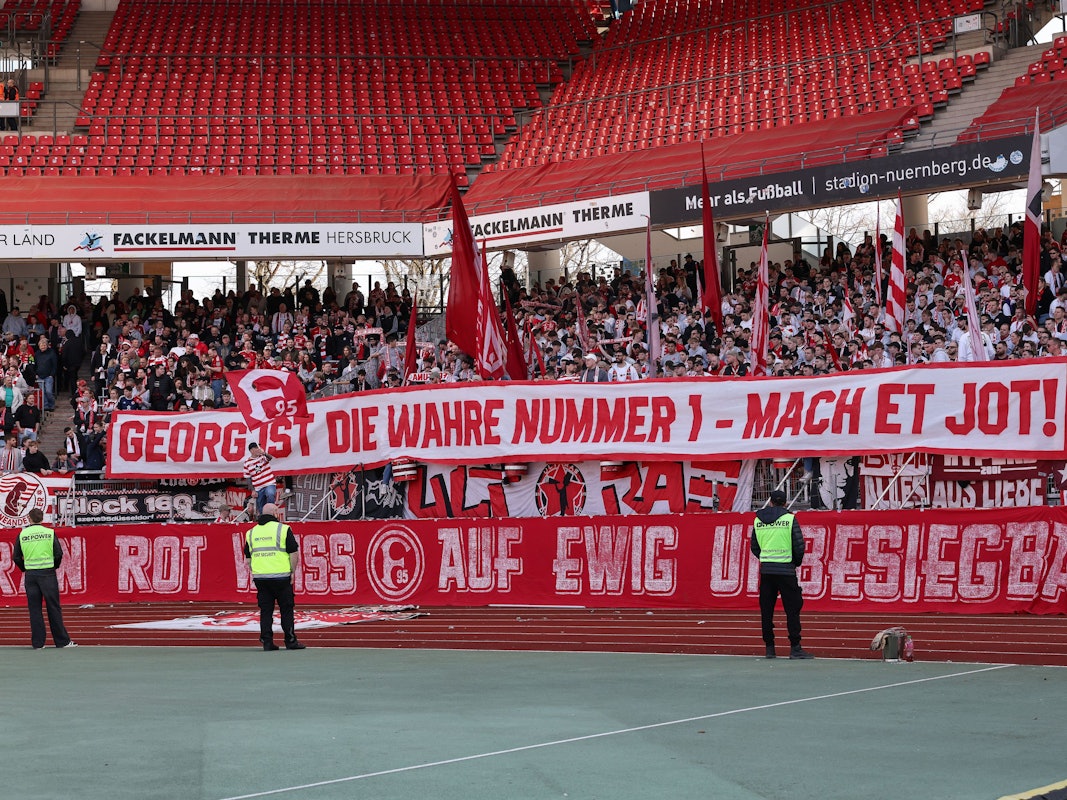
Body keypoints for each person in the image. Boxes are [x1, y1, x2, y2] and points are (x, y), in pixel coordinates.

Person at [750, 490, 813, 659]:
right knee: (792, 609)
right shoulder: (790, 519)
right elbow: (799, 545)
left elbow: (754, 547)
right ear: (785, 503)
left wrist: (766, 559)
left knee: (766, 610)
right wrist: (794, 563)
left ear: (770, 502)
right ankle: (795, 647)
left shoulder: (758, 520)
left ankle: (769, 648)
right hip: (786, 570)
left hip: (767, 571)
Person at [242, 502, 304, 651]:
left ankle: (267, 642)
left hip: (261, 578)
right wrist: (292, 571)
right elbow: (293, 553)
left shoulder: (251, 532)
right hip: (281, 576)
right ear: (275, 512)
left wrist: (256, 571)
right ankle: (290, 640)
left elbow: (247, 559)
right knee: (286, 609)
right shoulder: (283, 529)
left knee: (266, 610)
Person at [13, 508, 76, 649]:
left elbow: (16, 557)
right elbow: (58, 553)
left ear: (29, 519)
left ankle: (38, 643)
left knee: (34, 609)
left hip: (31, 575)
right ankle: (62, 642)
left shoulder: (22, 534)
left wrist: (24, 568)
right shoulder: (49, 533)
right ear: (42, 519)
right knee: (53, 607)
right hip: (47, 574)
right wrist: (54, 566)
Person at [243, 442, 277, 514]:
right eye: (256, 448)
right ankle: (263, 518)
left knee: (270, 494)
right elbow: (248, 478)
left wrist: (264, 453)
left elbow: (270, 458)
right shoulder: (247, 463)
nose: (258, 449)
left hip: (269, 483)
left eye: (259, 448)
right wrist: (252, 490)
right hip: (258, 487)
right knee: (260, 506)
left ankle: (271, 513)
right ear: (251, 450)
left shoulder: (263, 457)